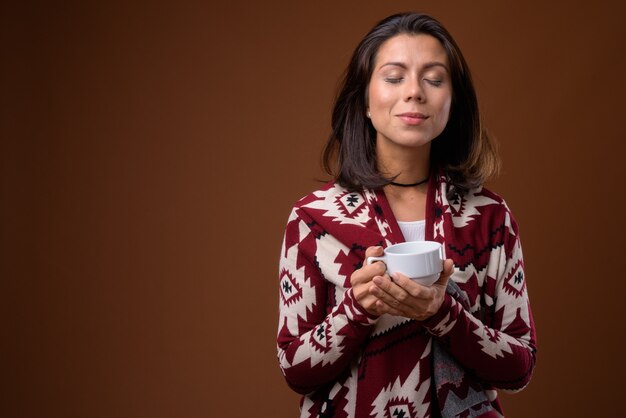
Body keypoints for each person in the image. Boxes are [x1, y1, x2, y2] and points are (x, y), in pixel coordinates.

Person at [276, 12, 536, 418]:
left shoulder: (489, 218)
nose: (414, 92)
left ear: (454, 101)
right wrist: (358, 309)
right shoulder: (313, 220)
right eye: (395, 77)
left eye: (434, 79)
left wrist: (443, 314)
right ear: (363, 98)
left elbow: (520, 366)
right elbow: (295, 369)